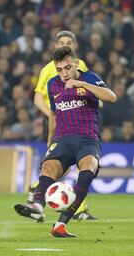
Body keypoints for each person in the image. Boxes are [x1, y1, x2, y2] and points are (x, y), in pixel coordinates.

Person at [14, 46, 117, 237]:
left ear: (76, 63)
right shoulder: (53, 84)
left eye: (67, 68)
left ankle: (60, 225)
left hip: (87, 139)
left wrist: (81, 84)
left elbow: (111, 96)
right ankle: (37, 206)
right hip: (62, 138)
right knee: (48, 167)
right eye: (59, 69)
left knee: (88, 170)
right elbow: (54, 114)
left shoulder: (89, 78)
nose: (64, 73)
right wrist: (49, 141)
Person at [31, 30, 96, 220]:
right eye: (61, 42)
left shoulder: (81, 66)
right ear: (55, 46)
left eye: (68, 42)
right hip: (57, 120)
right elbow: (37, 98)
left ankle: (77, 209)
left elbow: (91, 88)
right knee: (55, 166)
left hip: (80, 122)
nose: (64, 73)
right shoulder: (47, 70)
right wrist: (54, 113)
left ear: (74, 48)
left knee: (81, 166)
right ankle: (36, 196)